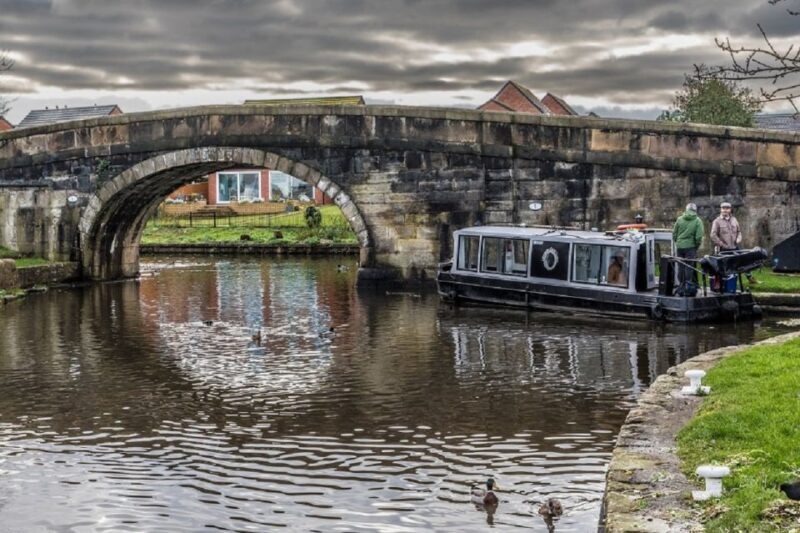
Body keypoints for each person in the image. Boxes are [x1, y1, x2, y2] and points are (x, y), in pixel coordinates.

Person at [710, 201, 758, 284]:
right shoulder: (717, 221)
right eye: (723, 208)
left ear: (730, 210)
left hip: (734, 247)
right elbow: (713, 235)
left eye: (727, 208)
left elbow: (739, 232)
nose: (725, 210)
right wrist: (721, 244)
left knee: (743, 261)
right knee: (720, 266)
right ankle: (718, 283)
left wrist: (739, 238)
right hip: (722, 249)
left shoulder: (734, 220)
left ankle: (750, 278)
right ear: (721, 210)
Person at [672, 203, 704, 293]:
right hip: (690, 247)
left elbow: (674, 234)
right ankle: (687, 285)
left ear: (686, 210)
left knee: (680, 266)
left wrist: (678, 242)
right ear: (695, 210)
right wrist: (696, 246)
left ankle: (681, 285)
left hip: (680, 246)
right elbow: (698, 237)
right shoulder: (698, 221)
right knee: (689, 266)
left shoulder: (679, 219)